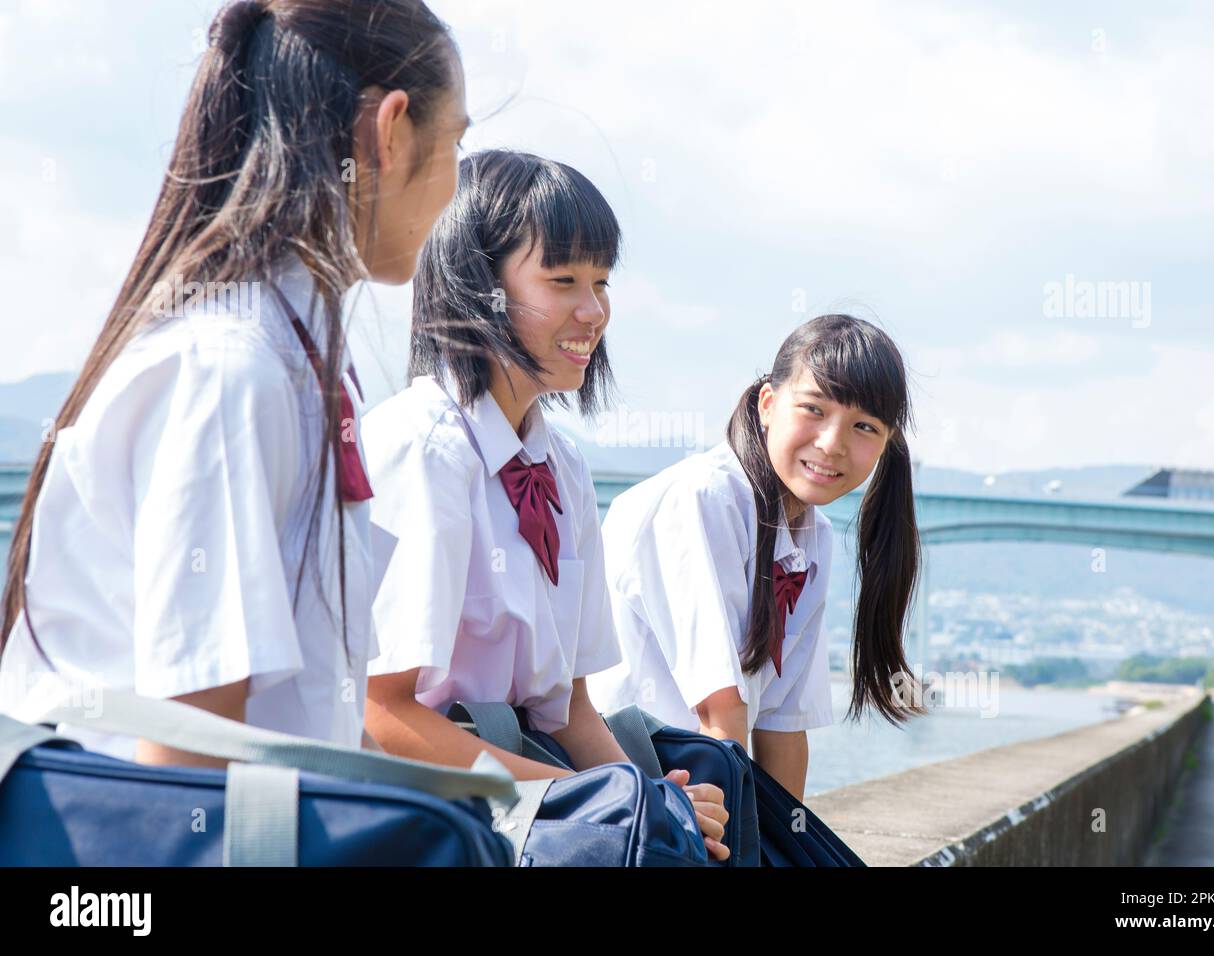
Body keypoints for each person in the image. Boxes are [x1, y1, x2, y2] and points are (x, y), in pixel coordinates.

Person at [0, 0, 468, 768]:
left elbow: (314, 723)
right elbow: (189, 768)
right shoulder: (233, 371)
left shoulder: (294, 355)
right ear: (390, 132)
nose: (456, 181)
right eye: (456, 140)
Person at [362, 149, 730, 859]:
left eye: (601, 282)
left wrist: (656, 807)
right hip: (426, 821)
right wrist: (606, 804)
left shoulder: (562, 466)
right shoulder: (423, 449)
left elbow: (570, 711)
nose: (593, 312)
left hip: (510, 810)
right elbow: (382, 716)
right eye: (563, 281)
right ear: (477, 286)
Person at [588, 314, 928, 800]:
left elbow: (782, 726)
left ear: (885, 445)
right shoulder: (705, 497)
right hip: (631, 796)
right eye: (813, 409)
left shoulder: (814, 536)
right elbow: (720, 712)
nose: (832, 444)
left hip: (687, 788)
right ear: (768, 404)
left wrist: (788, 840)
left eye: (863, 426)